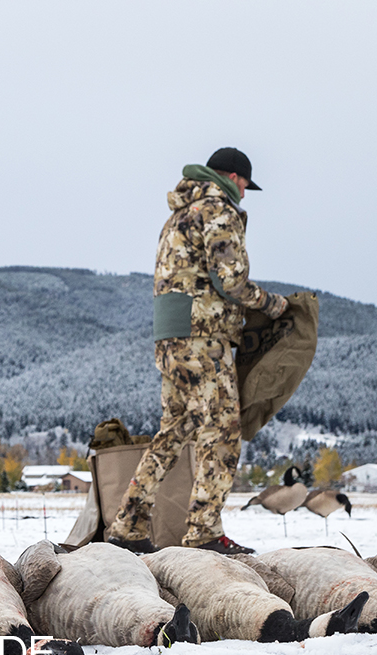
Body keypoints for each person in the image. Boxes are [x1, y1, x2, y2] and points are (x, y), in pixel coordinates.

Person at [106, 147, 288, 555]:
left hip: (169, 340)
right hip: (204, 339)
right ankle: (204, 532)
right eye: (245, 185)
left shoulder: (176, 216)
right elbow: (231, 282)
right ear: (235, 178)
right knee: (221, 433)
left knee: (173, 432)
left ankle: (128, 527)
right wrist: (272, 305)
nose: (244, 194)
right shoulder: (217, 210)